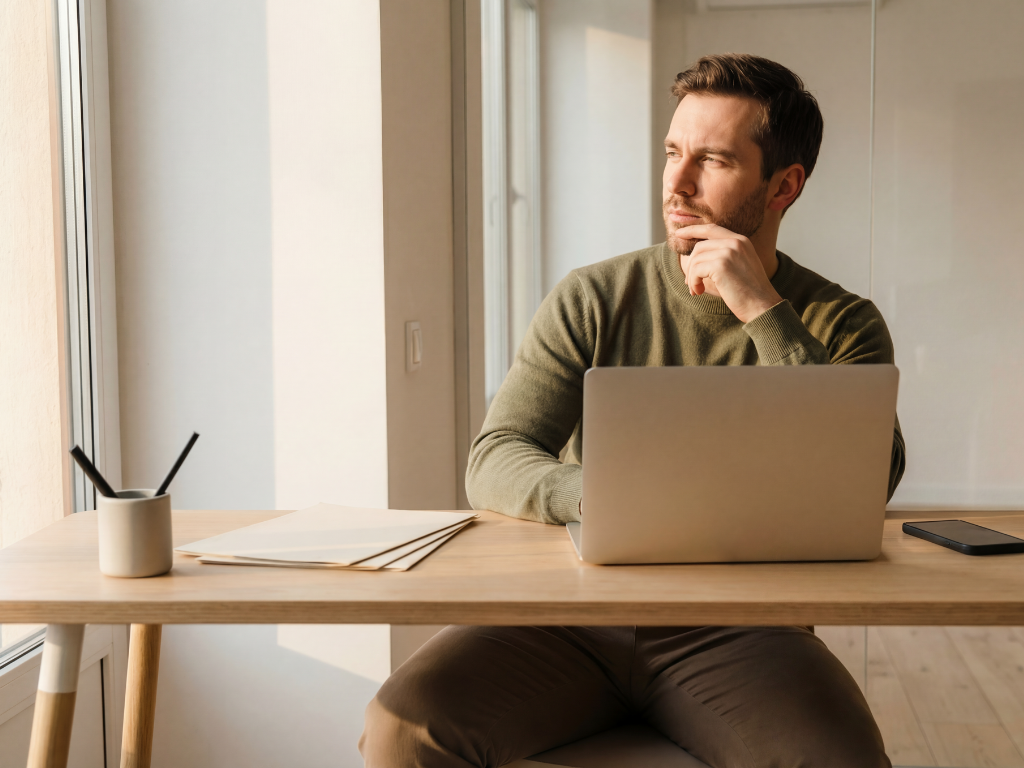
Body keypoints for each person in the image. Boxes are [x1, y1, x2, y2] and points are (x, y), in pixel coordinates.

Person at [360, 53, 905, 768]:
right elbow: (497, 456)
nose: (676, 184)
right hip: (568, 617)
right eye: (673, 152)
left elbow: (867, 478)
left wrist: (764, 314)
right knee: (405, 728)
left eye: (710, 160)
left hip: (744, 628)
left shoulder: (843, 322)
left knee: (839, 760)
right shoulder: (593, 296)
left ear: (784, 186)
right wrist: (618, 503)